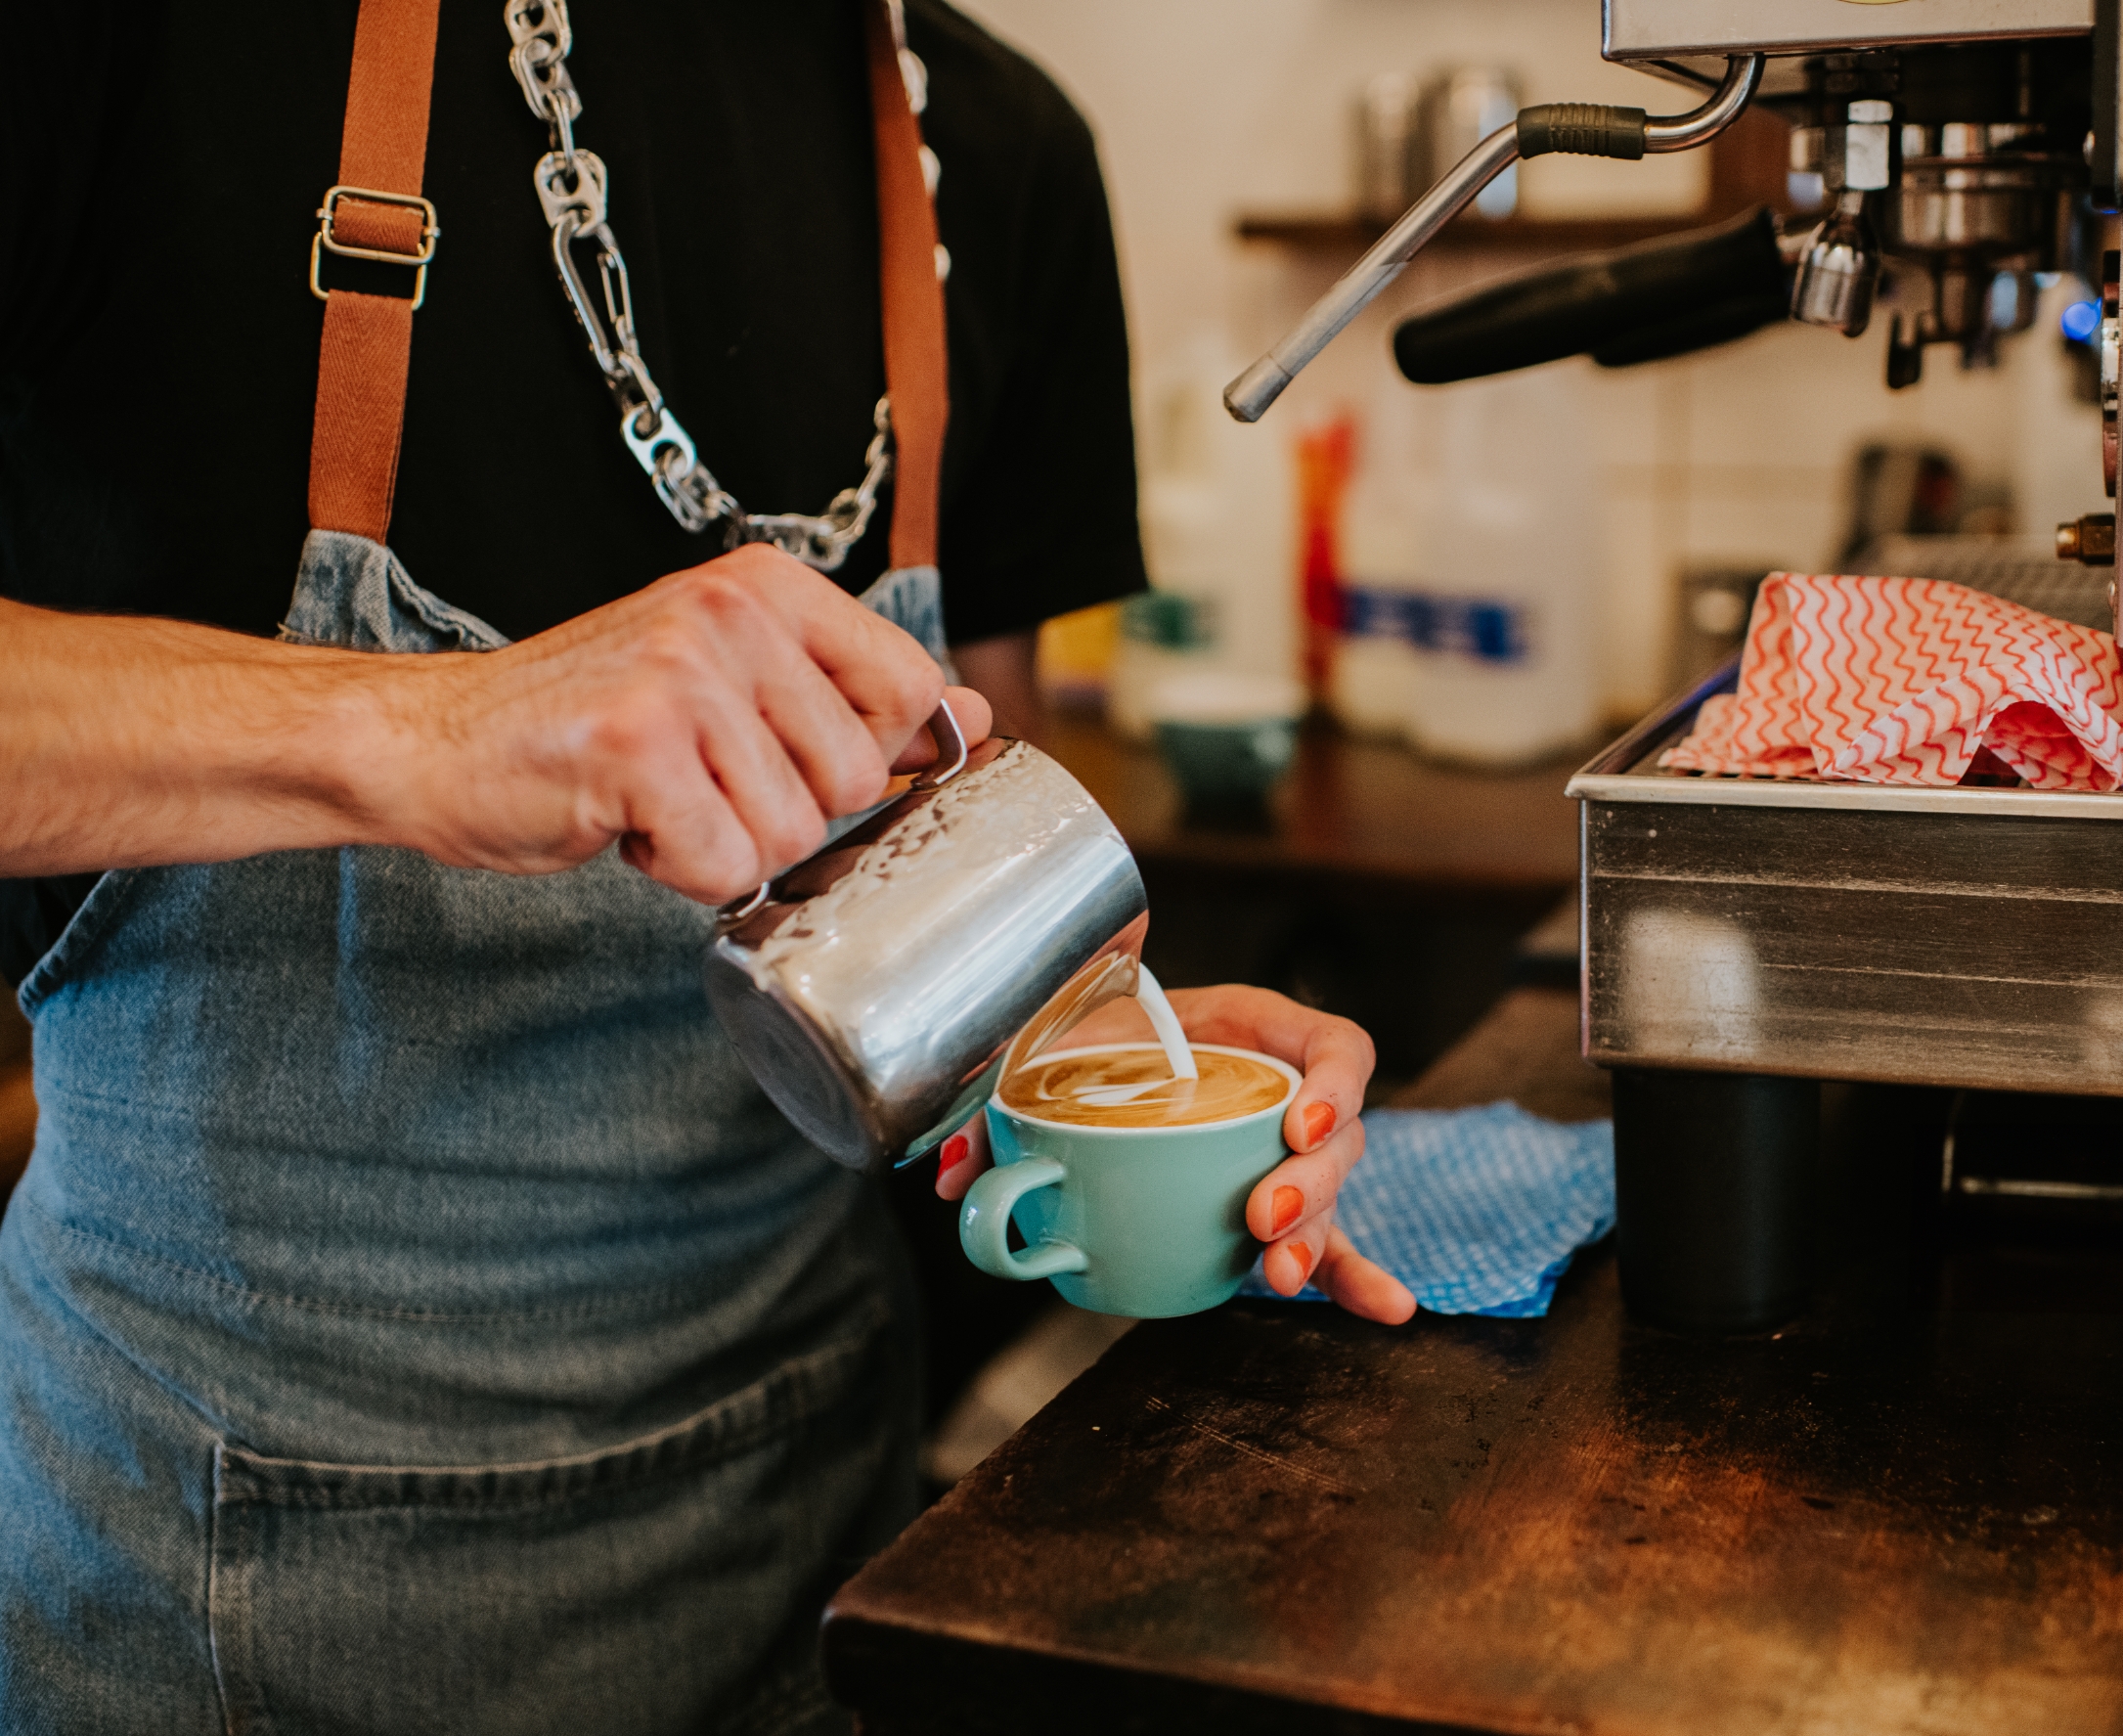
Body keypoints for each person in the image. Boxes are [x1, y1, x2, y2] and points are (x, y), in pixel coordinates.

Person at [0, 4, 1411, 1731]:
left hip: (820, 1550)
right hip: (230, 1596)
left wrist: (1090, 1064)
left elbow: (958, 830)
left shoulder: (999, 139)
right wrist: (436, 731)